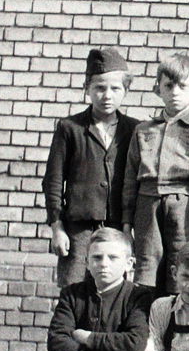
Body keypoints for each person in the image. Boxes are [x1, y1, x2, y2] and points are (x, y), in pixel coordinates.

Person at [122, 52, 189, 295]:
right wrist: (127, 224)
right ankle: (145, 327)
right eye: (169, 85)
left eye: (182, 86)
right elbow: (129, 179)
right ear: (157, 89)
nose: (175, 92)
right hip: (147, 206)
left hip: (186, 208)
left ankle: (178, 326)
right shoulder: (143, 130)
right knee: (147, 267)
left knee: (183, 264)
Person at [43, 47, 138, 286]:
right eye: (99, 88)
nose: (107, 95)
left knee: (115, 289)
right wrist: (57, 227)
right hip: (78, 230)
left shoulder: (135, 130)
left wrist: (130, 229)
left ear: (126, 90)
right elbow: (53, 181)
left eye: (115, 88)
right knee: (73, 289)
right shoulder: (70, 128)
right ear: (87, 89)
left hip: (119, 227)